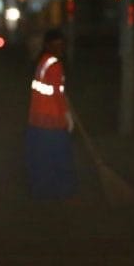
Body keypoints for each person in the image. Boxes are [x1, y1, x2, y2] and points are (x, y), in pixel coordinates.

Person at [26, 28, 77, 200]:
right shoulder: (54, 64)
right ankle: (63, 193)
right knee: (60, 157)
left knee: (41, 158)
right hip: (52, 121)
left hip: (37, 120)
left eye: (61, 45)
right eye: (57, 44)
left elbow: (52, 90)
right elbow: (57, 95)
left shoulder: (43, 61)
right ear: (49, 45)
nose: (60, 48)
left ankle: (41, 192)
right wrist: (67, 116)